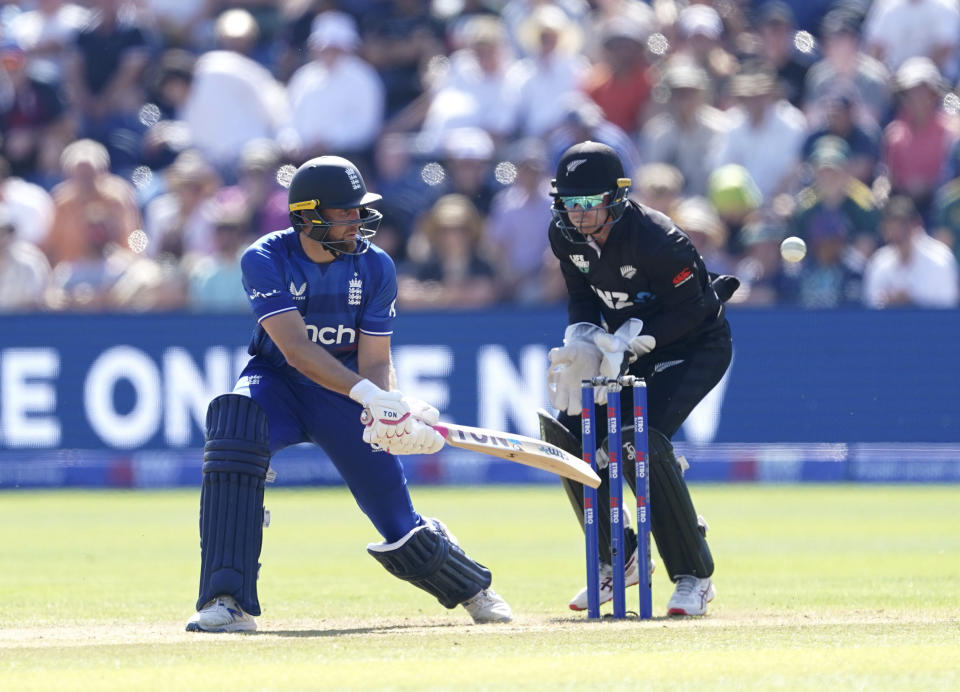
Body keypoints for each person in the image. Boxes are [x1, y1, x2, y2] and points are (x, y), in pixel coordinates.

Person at [185, 156, 512, 633]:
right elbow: (294, 349)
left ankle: (472, 586)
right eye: (344, 213)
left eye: (359, 211)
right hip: (277, 381)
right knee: (236, 426)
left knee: (396, 519)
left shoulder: (376, 266)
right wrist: (367, 393)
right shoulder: (264, 257)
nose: (357, 222)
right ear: (307, 216)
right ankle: (225, 600)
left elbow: (376, 359)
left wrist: (390, 409)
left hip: (343, 393)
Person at [541, 141, 734, 617]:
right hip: (623, 349)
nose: (579, 215)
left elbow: (700, 309)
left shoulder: (659, 239)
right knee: (570, 436)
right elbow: (580, 293)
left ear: (617, 197)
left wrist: (640, 336)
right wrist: (583, 336)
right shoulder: (564, 235)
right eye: (570, 203)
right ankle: (620, 558)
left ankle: (693, 576)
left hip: (693, 347)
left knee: (639, 442)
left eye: (589, 204)